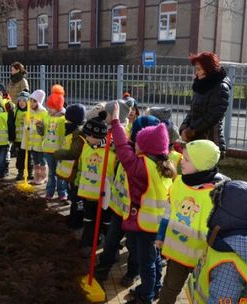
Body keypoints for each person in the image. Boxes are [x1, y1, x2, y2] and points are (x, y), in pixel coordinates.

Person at [110, 102, 176, 304]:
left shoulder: (142, 167)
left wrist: (116, 122)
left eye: (138, 142)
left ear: (146, 147)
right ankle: (154, 288)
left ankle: (145, 296)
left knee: (146, 263)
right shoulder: (164, 165)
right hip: (155, 225)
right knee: (153, 259)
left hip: (144, 225)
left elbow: (122, 148)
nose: (134, 144)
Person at [155, 139, 228, 304]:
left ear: (201, 164)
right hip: (177, 255)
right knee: (169, 288)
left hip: (203, 258)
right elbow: (169, 210)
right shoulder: (179, 182)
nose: (182, 161)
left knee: (200, 296)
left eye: (187, 159)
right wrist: (160, 234)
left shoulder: (221, 191)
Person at [94, 115, 162, 287]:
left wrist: (116, 123)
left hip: (136, 213)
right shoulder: (128, 151)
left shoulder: (141, 162)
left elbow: (124, 149)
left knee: (134, 248)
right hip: (119, 209)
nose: (132, 135)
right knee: (110, 243)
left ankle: (133, 273)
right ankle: (102, 269)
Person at [187, 180, 247, 304]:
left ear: (226, 217)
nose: (212, 210)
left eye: (216, 207)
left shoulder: (229, 266)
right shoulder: (244, 242)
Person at [77, 111, 116, 258]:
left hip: (106, 196)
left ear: (95, 136)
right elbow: (83, 166)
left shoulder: (111, 151)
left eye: (88, 135)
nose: (86, 137)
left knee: (106, 222)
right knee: (89, 219)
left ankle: (110, 247)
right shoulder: (87, 146)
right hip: (88, 194)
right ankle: (88, 242)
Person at [179, 52, 231, 153]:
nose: (196, 73)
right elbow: (192, 111)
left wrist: (191, 131)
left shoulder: (220, 87)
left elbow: (213, 116)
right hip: (196, 141)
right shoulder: (201, 85)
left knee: (206, 169)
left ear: (208, 70)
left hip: (210, 142)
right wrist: (184, 127)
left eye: (198, 69)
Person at [53, 103, 87, 229]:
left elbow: (74, 153)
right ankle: (73, 216)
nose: (66, 121)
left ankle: (77, 220)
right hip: (72, 171)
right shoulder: (73, 131)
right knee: (73, 196)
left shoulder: (78, 134)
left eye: (68, 119)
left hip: (78, 171)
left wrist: (57, 153)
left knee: (77, 198)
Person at [42, 84, 68, 201]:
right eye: (49, 107)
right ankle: (49, 192)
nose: (49, 109)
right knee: (51, 173)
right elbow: (42, 132)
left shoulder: (63, 118)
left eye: (52, 107)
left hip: (60, 150)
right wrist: (39, 127)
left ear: (58, 106)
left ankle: (62, 193)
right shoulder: (46, 117)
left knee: (61, 173)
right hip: (48, 149)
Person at [21, 89, 48, 185]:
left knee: (42, 160)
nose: (31, 103)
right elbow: (26, 126)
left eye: (34, 101)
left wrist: (40, 126)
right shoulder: (29, 112)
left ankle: (43, 177)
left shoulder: (44, 112)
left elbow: (46, 128)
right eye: (31, 100)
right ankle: (36, 177)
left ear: (39, 102)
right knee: (35, 160)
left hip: (40, 143)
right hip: (31, 142)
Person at [13, 90, 34, 180]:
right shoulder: (16, 111)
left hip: (28, 139)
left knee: (29, 157)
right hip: (18, 140)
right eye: (20, 100)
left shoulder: (31, 112)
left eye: (24, 101)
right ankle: (20, 172)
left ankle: (30, 172)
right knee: (20, 157)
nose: (21, 103)